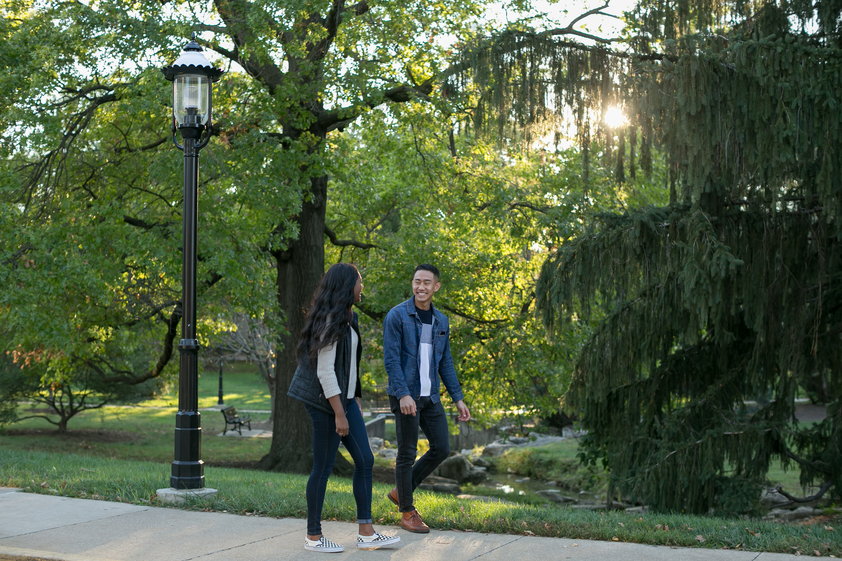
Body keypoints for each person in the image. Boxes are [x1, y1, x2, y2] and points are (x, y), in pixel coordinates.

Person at [287, 263, 400, 553]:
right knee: (322, 468)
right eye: (360, 282)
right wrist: (339, 412)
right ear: (347, 285)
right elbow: (325, 372)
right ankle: (313, 537)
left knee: (365, 460)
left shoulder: (349, 317)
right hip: (324, 402)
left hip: (344, 400)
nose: (363, 287)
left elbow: (347, 367)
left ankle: (366, 533)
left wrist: (353, 401)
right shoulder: (330, 319)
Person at [382, 264, 471, 533]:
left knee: (442, 447)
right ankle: (407, 512)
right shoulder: (397, 316)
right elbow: (391, 360)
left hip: (430, 396)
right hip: (406, 395)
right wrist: (403, 394)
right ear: (412, 284)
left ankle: (402, 491)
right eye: (417, 281)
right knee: (407, 453)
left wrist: (458, 398)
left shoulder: (441, 321)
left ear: (436, 287)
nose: (421, 287)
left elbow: (446, 363)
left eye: (427, 282)